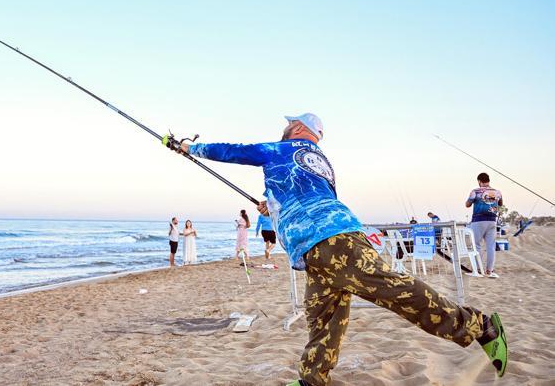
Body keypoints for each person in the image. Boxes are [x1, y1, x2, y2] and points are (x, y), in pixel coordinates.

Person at [163, 112, 507, 386]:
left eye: (289, 124)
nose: (284, 129)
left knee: (395, 290)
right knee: (323, 318)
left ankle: (479, 326)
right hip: (319, 246)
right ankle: (312, 380)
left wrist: (190, 148)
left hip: (331, 241)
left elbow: (234, 151)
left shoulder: (281, 149)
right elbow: (305, 193)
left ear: (300, 128)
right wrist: (274, 205)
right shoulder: (318, 161)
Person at [466, 173, 503, 278]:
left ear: (479, 181)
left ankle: (478, 270)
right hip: (492, 220)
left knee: (476, 245)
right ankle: (489, 271)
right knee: (491, 246)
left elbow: (467, 204)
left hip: (478, 220)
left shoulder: (475, 191)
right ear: (488, 180)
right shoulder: (497, 192)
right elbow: (500, 204)